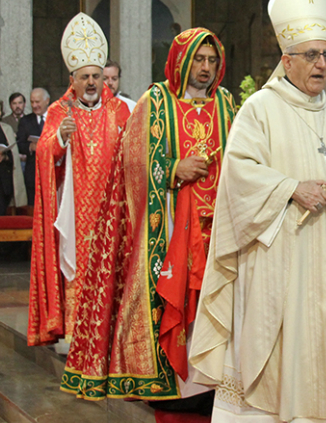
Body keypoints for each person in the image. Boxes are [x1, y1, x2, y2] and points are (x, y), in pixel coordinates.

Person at [186, 0, 326, 423]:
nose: (321, 65)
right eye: (311, 55)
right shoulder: (260, 110)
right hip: (279, 267)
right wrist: (292, 188)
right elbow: (239, 176)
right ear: (286, 58)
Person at [60, 27, 237, 411]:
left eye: (211, 60)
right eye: (198, 60)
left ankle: (213, 382)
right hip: (170, 225)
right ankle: (173, 383)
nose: (205, 68)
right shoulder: (156, 101)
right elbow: (131, 161)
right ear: (181, 61)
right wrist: (174, 169)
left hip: (218, 230)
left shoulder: (226, 103)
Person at [27, 13, 131, 348]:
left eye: (96, 76)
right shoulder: (59, 110)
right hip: (74, 210)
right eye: (84, 76)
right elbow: (44, 152)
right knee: (79, 268)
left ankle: (110, 330)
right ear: (72, 78)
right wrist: (58, 137)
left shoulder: (119, 111)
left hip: (112, 209)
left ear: (105, 79)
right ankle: (73, 330)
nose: (90, 82)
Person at [16, 88, 50, 204]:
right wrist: (31, 147)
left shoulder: (57, 118)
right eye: (32, 102)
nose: (34, 105)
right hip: (33, 172)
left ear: (47, 101)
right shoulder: (25, 121)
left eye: (37, 102)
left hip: (53, 171)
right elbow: (19, 144)